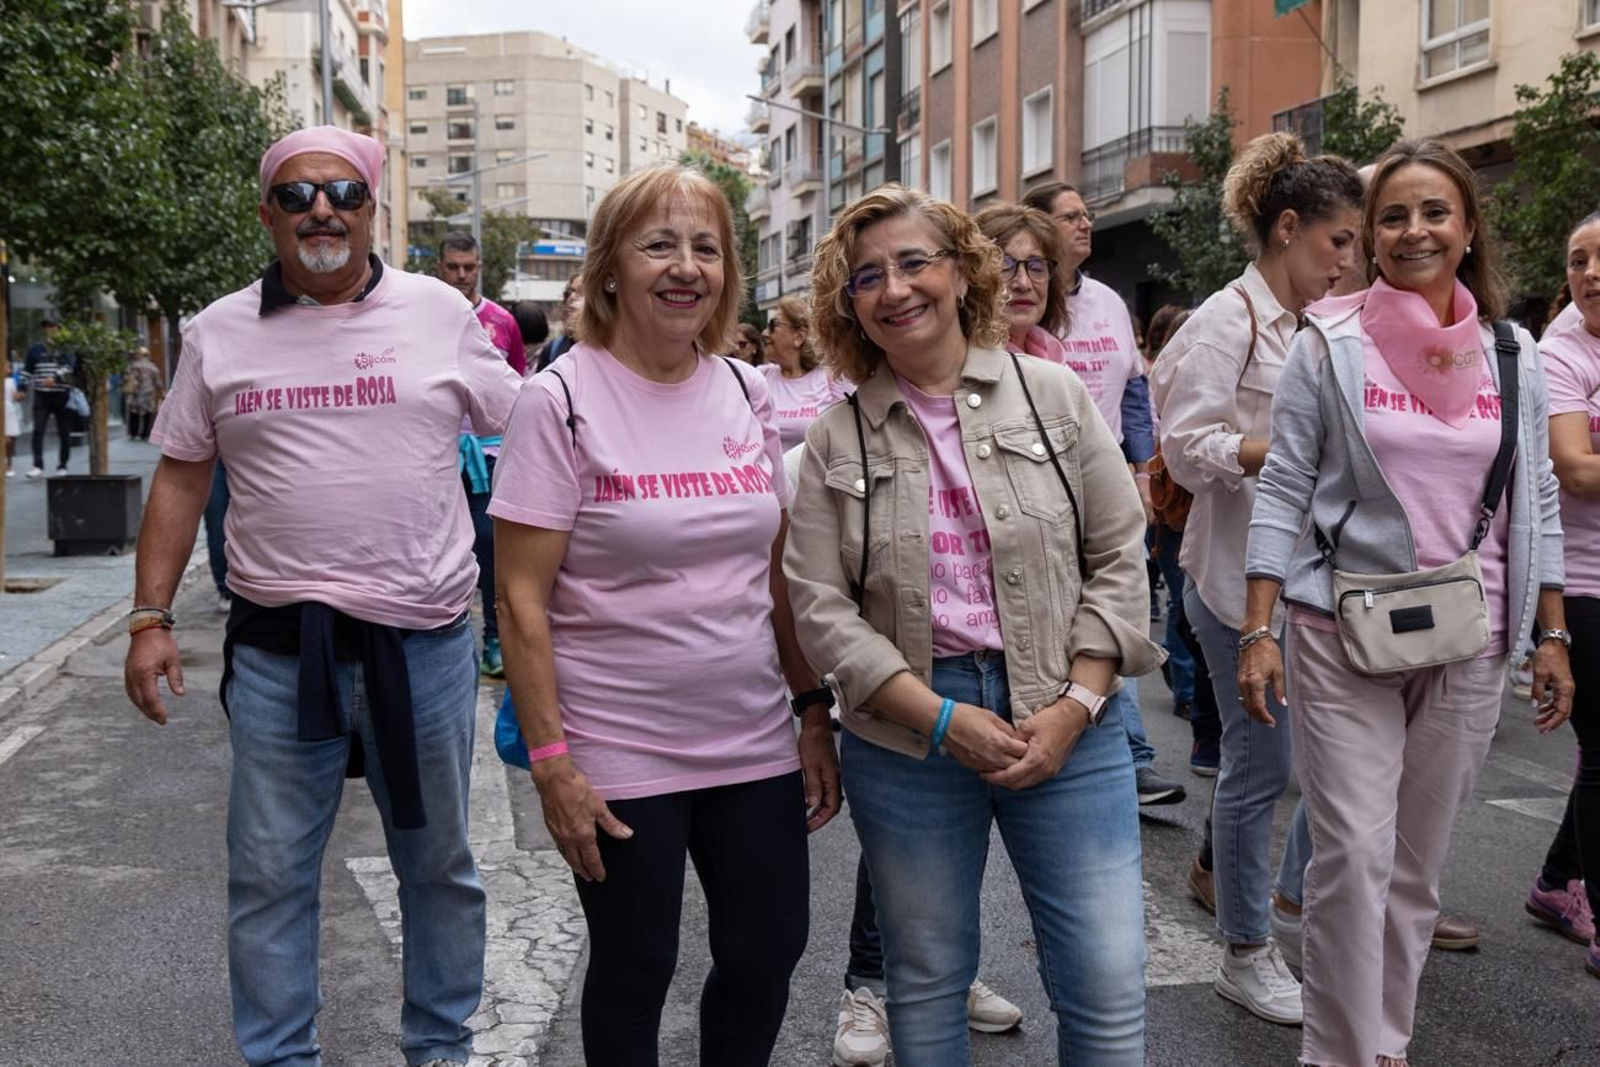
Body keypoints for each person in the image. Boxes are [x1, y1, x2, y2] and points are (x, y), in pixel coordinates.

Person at [123, 125, 523, 1067]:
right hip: (275, 649)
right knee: (267, 874)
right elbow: (182, 478)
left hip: (420, 645)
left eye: (343, 191)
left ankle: (441, 1049)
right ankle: (280, 1057)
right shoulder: (217, 331)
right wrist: (149, 618)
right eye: (298, 195)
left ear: (371, 207)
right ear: (267, 213)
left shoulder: (439, 313)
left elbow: (532, 429)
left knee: (438, 869)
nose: (322, 211)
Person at [786, 183, 1162, 1065]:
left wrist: (1076, 705)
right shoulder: (833, 440)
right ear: (851, 306)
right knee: (925, 980)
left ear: (961, 273)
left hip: (1067, 709)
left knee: (1107, 984)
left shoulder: (1056, 395)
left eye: (915, 262)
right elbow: (821, 608)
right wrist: (941, 717)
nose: (895, 288)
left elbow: (1119, 553)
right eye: (867, 276)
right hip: (910, 734)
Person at [489, 163, 840, 1067]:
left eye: (706, 247)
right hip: (617, 743)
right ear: (610, 268)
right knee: (638, 962)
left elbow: (775, 569)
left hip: (750, 732)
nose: (685, 266)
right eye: (658, 245)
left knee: (767, 952)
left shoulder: (745, 389)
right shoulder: (557, 399)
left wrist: (810, 711)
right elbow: (519, 599)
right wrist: (553, 766)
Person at [1240, 138, 1573, 1067]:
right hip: (1340, 622)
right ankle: (1340, 1053)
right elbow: (1285, 485)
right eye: (1394, 215)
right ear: (1370, 236)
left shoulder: (1515, 352)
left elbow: (1534, 496)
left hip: (1470, 632)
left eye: (1435, 212)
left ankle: (1387, 1041)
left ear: (1468, 227)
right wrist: (1258, 627)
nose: (1415, 230)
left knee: (1417, 867)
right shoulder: (1329, 341)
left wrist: (1550, 633)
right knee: (1352, 854)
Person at [1150, 132, 1364, 1026]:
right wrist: (1278, 450)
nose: (1350, 259)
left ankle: (1275, 898)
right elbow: (1182, 446)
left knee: (1337, 759)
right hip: (1234, 576)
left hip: (1315, 580)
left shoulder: (1325, 321)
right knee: (1261, 763)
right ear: (1287, 228)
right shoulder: (1225, 320)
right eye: (1338, 241)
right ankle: (1245, 946)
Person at [1021, 181, 1181, 806]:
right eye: (1070, 217)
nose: (1085, 224)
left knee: (1119, 604)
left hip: (1107, 472)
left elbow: (1135, 393)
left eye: (1088, 214)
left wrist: (1142, 472)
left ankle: (1127, 757)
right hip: (1037, 473)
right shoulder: (1012, 302)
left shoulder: (1111, 302)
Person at [1524, 208, 1600, 973]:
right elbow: (1575, 470)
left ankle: (1554, 882)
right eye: (1579, 259)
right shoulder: (1559, 354)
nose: (1591, 272)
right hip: (1579, 581)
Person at [437, 230, 526, 678]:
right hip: (435, 452)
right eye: (453, 267)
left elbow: (517, 394)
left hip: (488, 454)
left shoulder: (502, 321)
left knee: (490, 546)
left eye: (469, 267)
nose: (462, 276)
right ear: (440, 268)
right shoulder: (422, 316)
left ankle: (494, 638)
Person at [759, 295, 854, 452]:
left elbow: (854, 431)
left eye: (773, 325)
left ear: (799, 336)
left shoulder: (833, 377)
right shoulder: (760, 377)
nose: (764, 333)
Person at [20, 316, 75, 477]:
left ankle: (62, 465)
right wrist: (21, 387)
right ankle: (37, 466)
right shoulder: (35, 349)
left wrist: (55, 378)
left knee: (64, 432)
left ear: (59, 328)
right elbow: (27, 370)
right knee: (38, 430)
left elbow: (70, 367)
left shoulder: (66, 348)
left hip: (61, 395)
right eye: (46, 326)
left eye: (53, 326)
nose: (49, 329)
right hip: (41, 395)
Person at [535, 272, 584, 371]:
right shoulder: (552, 349)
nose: (572, 297)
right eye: (570, 292)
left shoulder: (612, 350)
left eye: (581, 292)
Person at [123, 346, 164, 441]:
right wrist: (162, 390)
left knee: (134, 413)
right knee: (148, 414)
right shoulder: (152, 366)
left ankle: (134, 433)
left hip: (137, 393)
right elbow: (158, 380)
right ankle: (145, 434)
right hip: (149, 393)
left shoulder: (134, 365)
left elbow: (127, 377)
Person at [4, 369, 21, 476]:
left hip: (8, 409)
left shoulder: (10, 381)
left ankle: (9, 465)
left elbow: (15, 397)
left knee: (9, 438)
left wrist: (19, 395)